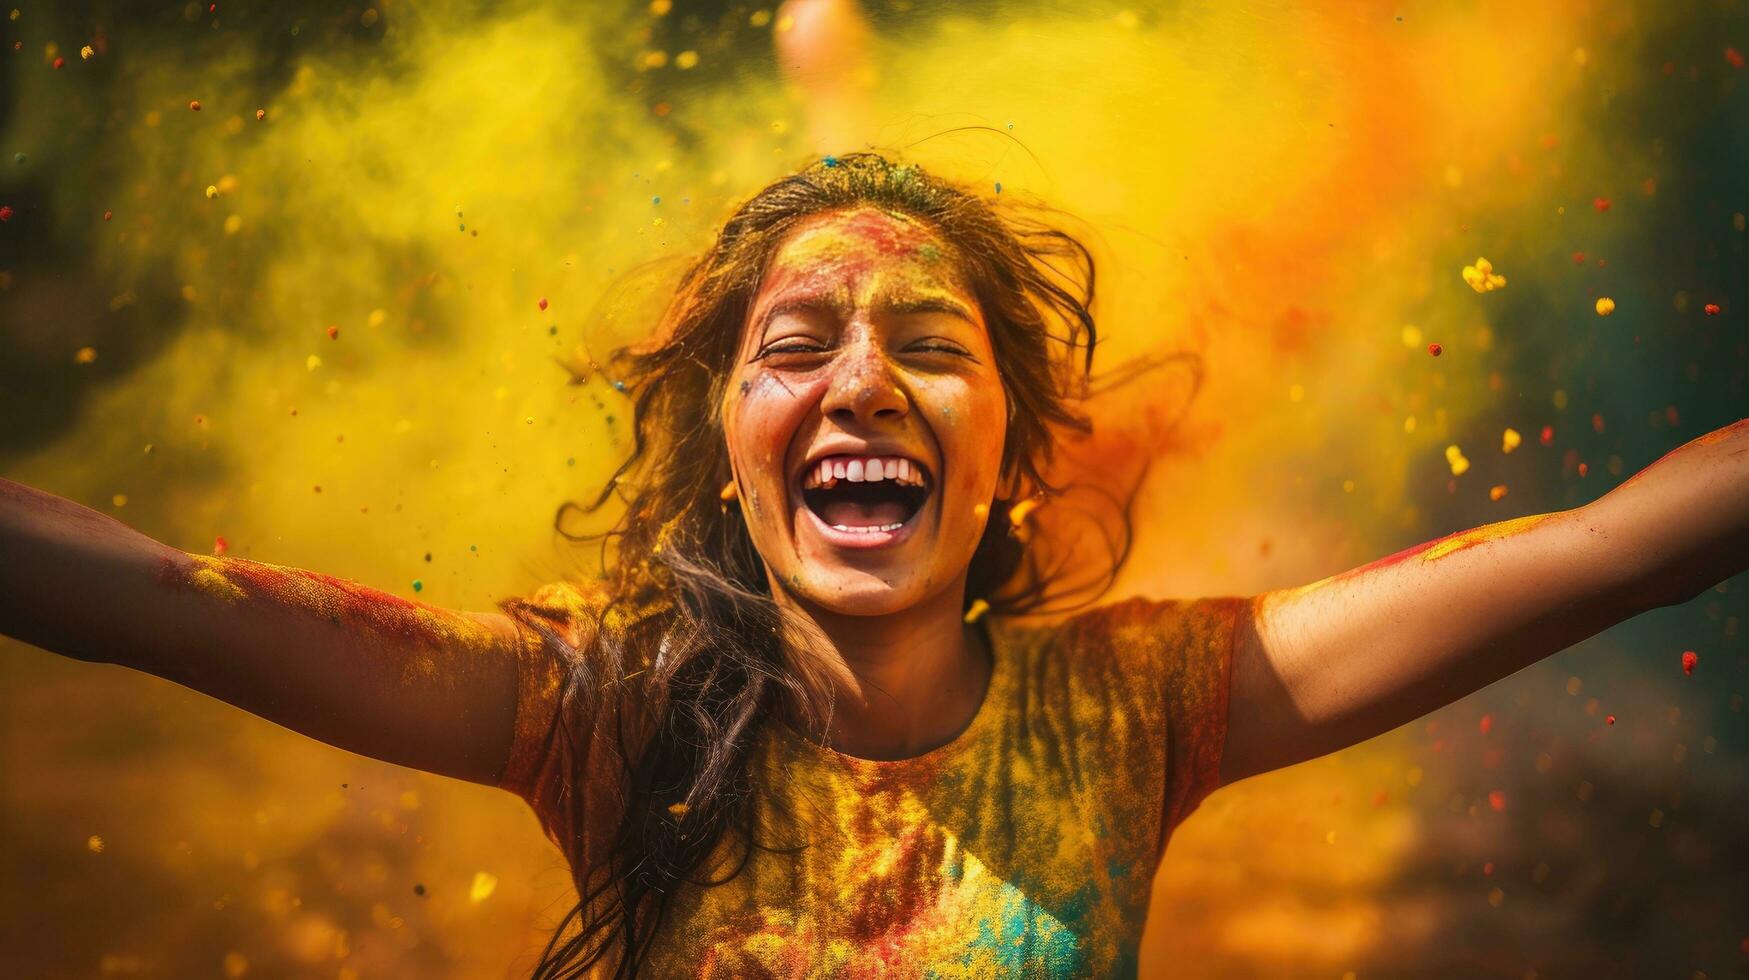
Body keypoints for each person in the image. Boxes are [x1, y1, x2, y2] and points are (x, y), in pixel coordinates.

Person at [2, 152, 1744, 978]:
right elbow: (153, 603)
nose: (860, 380)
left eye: (929, 340)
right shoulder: (602, 713)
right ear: (725, 449)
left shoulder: (1144, 709)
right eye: (796, 344)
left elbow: (1610, 553)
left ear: (1003, 455)